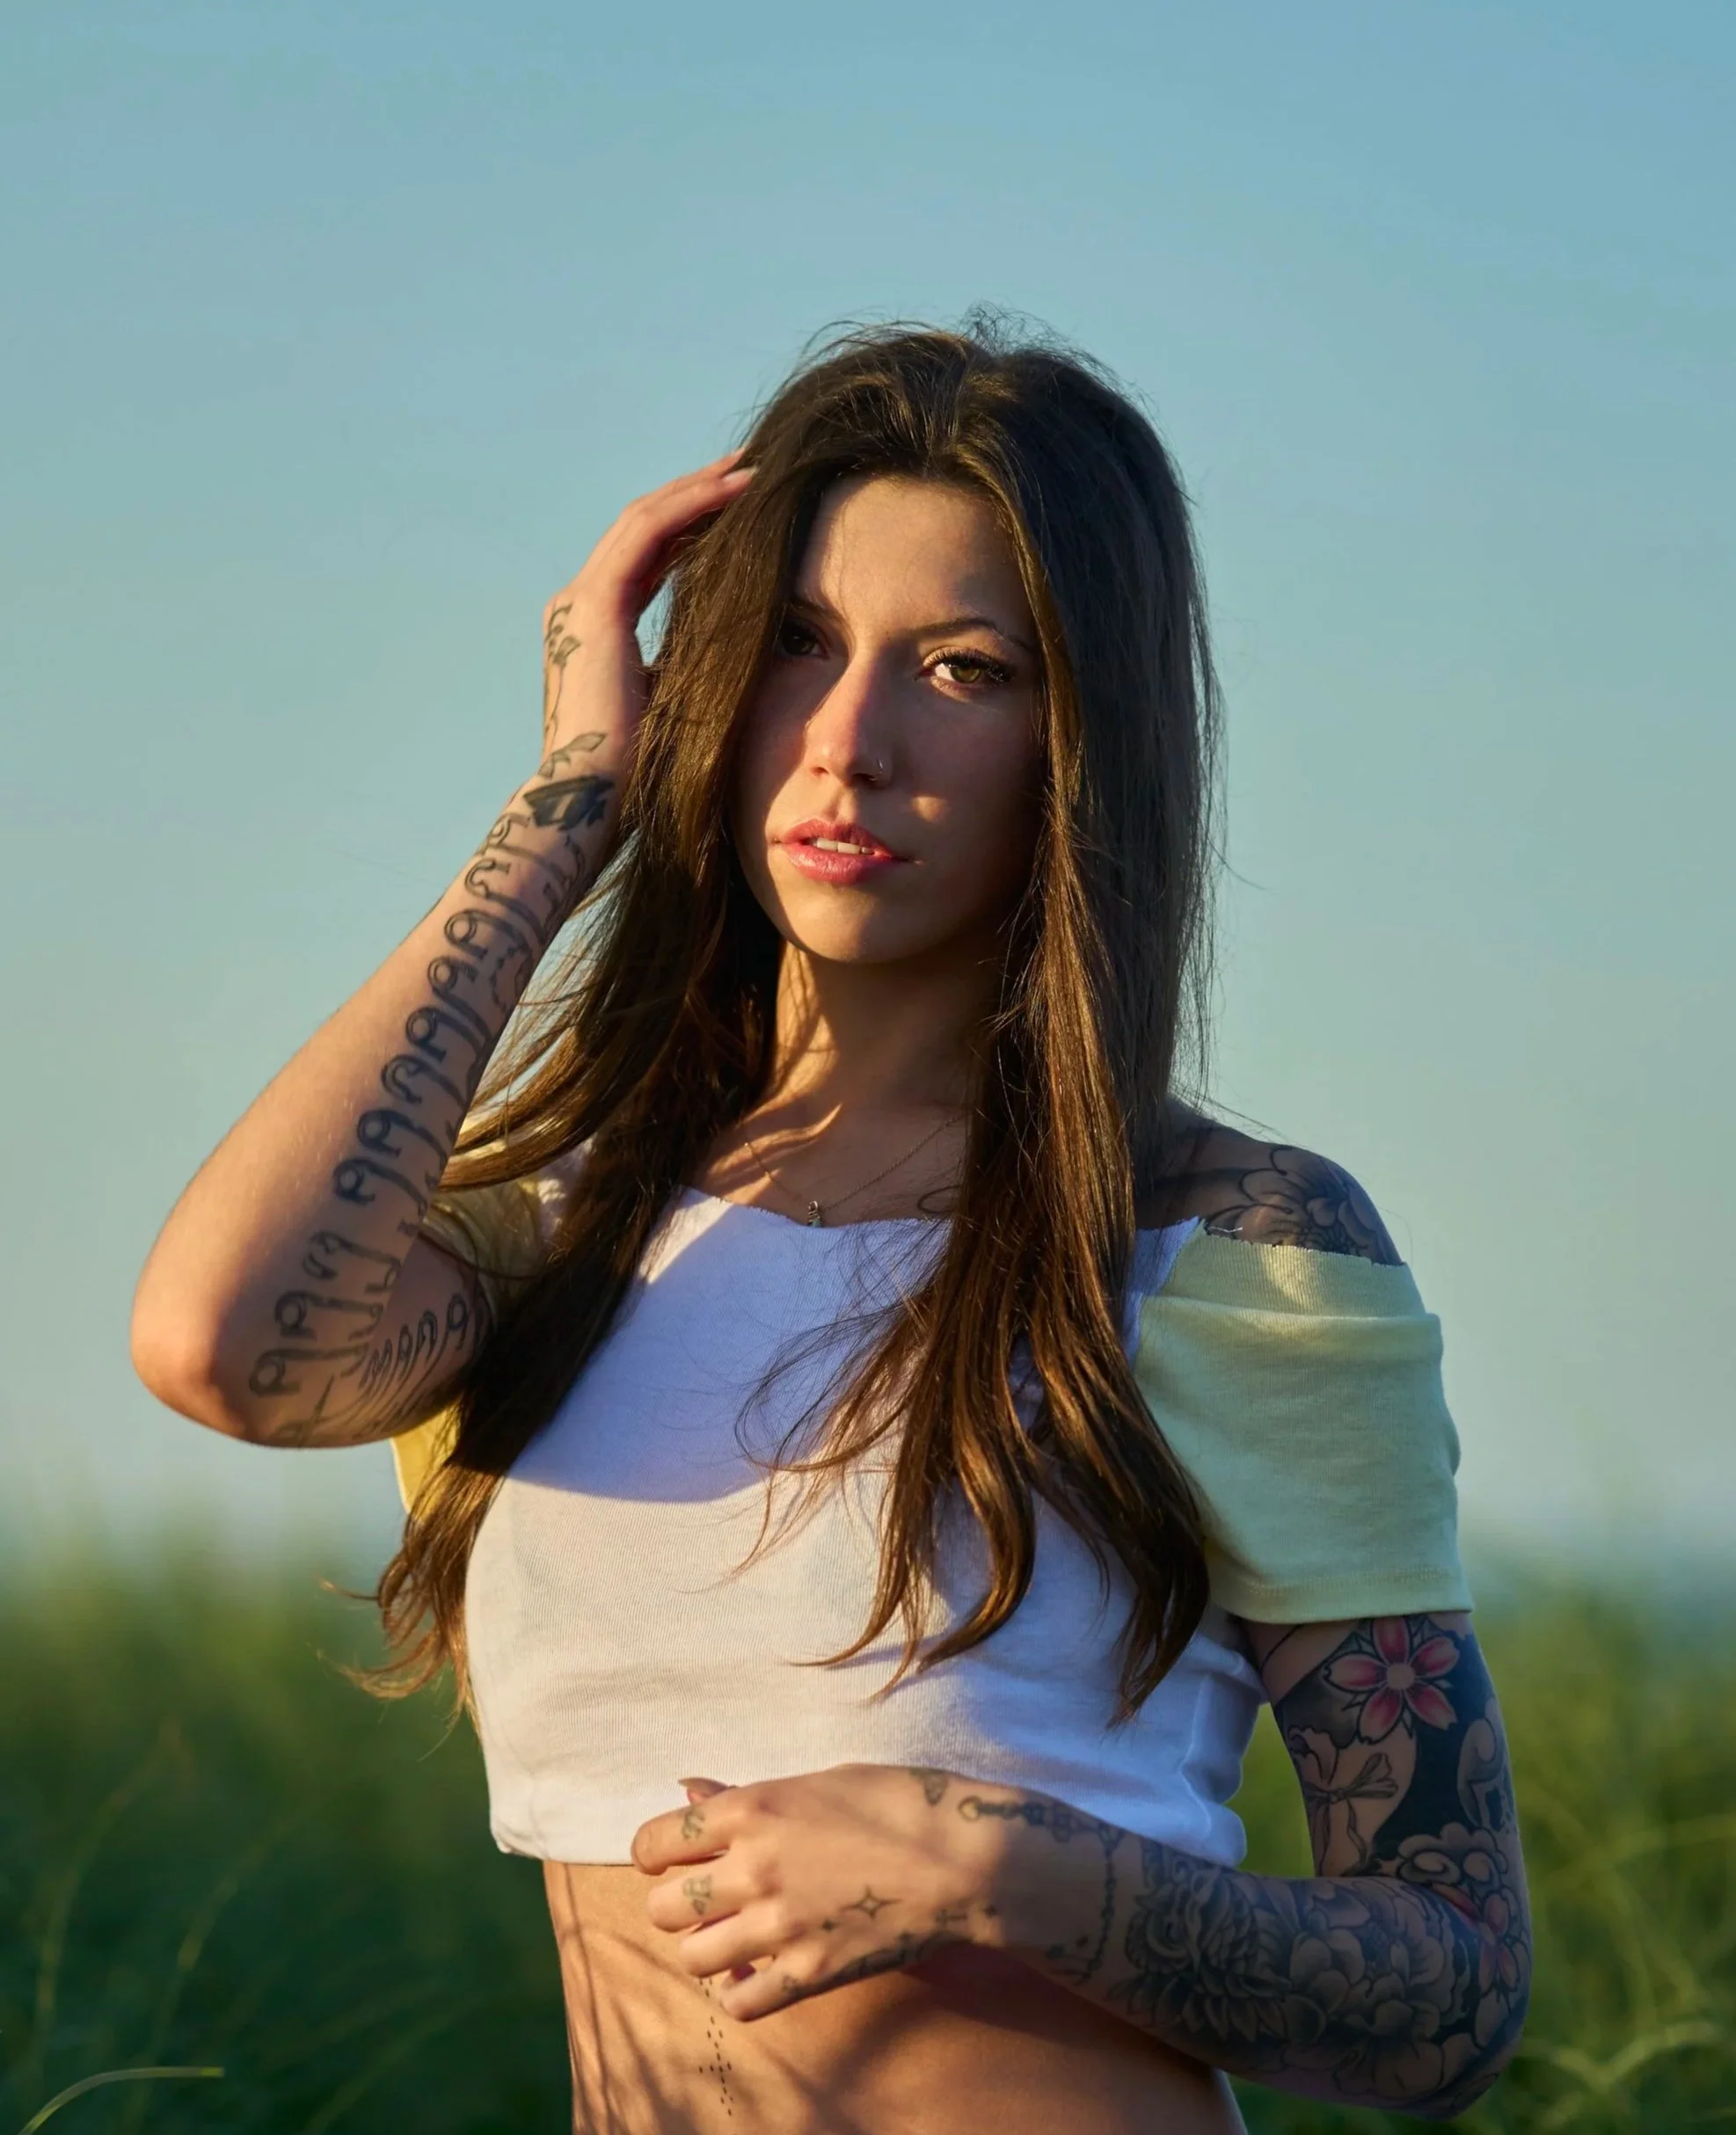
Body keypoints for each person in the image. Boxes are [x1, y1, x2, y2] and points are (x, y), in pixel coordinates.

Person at [132, 320, 1531, 2133]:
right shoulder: (554, 1237)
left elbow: (1450, 1993)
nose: (850, 741)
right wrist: (569, 806)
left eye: (962, 668)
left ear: (1080, 738)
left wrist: (992, 1862)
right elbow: (221, 1348)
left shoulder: (1229, 1247)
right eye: (796, 644)